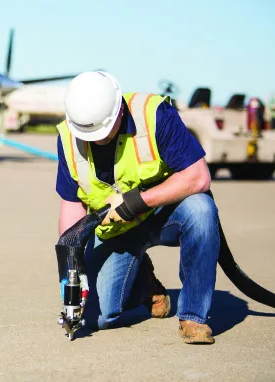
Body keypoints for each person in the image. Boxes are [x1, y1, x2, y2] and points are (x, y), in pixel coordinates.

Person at [55, 71, 220, 344]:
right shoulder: (69, 136)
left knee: (202, 210)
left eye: (102, 133)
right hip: (117, 231)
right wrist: (71, 270)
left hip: (166, 214)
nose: (96, 140)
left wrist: (137, 202)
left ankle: (193, 316)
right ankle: (144, 282)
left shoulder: (154, 115)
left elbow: (198, 176)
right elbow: (71, 207)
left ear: (119, 110)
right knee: (95, 318)